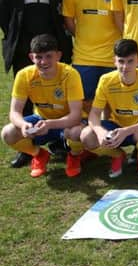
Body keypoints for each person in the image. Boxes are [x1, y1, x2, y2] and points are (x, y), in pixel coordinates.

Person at [0, 0, 73, 167]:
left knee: (56, 97)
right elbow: (4, 18)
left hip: (54, 53)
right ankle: (29, 149)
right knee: (27, 99)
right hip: (24, 53)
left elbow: (65, 16)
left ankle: (58, 143)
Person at [1, 34, 84, 178]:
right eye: (38, 57)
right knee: (8, 133)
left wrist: (50, 124)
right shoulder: (24, 75)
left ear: (58, 56)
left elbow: (76, 115)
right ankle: (39, 155)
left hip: (67, 122)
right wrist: (22, 125)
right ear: (31, 57)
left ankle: (75, 156)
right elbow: (14, 112)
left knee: (77, 133)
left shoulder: (70, 74)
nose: (43, 61)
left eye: (48, 56)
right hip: (41, 119)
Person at [80, 39, 138, 178]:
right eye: (121, 61)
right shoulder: (106, 80)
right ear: (114, 61)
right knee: (86, 136)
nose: (125, 66)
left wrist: (126, 131)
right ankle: (117, 155)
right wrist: (100, 132)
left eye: (130, 61)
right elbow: (94, 114)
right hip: (115, 127)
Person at [62, 0, 120, 114]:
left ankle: (109, 134)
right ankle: (87, 137)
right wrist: (82, 36)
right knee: (86, 102)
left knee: (110, 102)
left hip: (111, 57)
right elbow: (69, 20)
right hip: (84, 57)